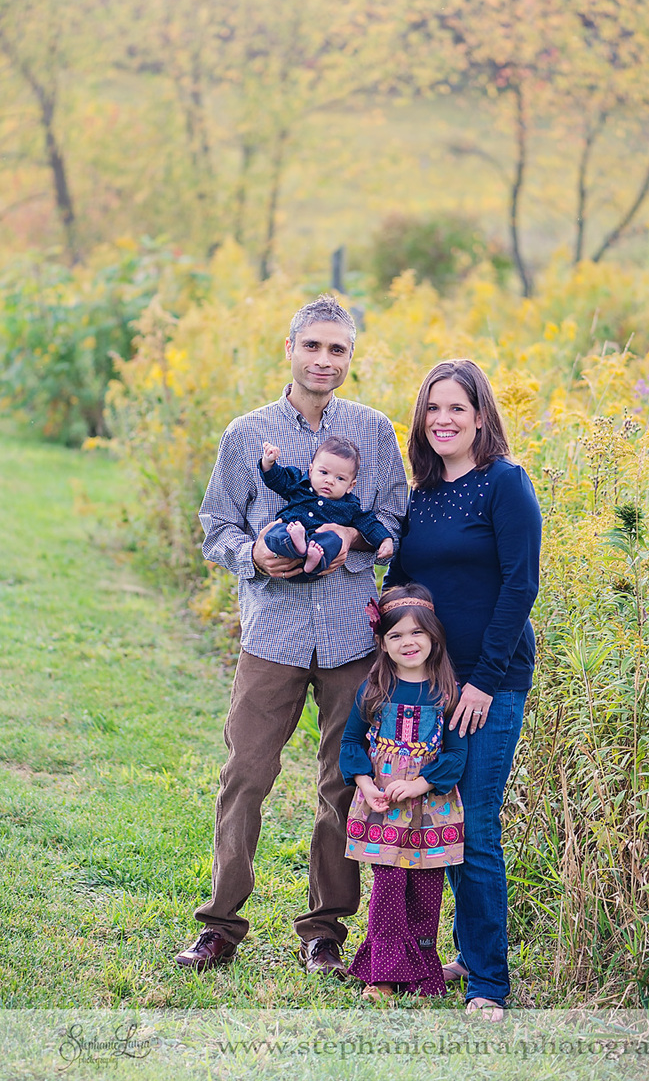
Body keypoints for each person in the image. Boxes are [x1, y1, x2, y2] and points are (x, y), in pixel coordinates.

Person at [175, 294, 408, 974]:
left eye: (339, 349)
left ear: (351, 357)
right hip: (271, 633)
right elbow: (217, 525)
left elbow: (394, 516)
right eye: (314, 346)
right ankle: (220, 925)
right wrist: (253, 555)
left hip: (349, 638)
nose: (325, 360)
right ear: (290, 348)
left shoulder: (373, 431)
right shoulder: (247, 434)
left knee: (342, 781)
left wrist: (346, 540)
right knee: (245, 775)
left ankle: (324, 931)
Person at [384, 359, 541, 1019]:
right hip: (423, 688)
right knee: (436, 824)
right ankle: (462, 956)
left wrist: (481, 682)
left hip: (488, 686)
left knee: (474, 828)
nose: (443, 419)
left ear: (482, 417)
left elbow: (520, 584)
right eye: (432, 408)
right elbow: (398, 588)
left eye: (457, 408)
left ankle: (489, 985)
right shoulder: (418, 494)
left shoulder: (505, 483)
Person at [339, 584, 467, 1002]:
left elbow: (457, 754)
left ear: (434, 637)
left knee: (427, 893)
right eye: (395, 636)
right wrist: (365, 784)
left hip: (432, 811)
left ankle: (421, 973)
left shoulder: (448, 692)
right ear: (382, 642)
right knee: (389, 889)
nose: (407, 642)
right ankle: (382, 977)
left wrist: (418, 783)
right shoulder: (375, 689)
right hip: (382, 810)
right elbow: (351, 743)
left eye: (416, 633)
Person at [259, 435, 394, 579]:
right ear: (311, 471)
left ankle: (313, 558)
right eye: (323, 473)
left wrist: (385, 539)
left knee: (334, 539)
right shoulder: (299, 485)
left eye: (340, 478)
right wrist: (268, 462)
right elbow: (277, 479)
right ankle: (297, 544)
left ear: (351, 486)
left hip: (317, 556)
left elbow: (369, 523)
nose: (329, 481)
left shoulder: (349, 506)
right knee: (275, 532)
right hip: (287, 547)